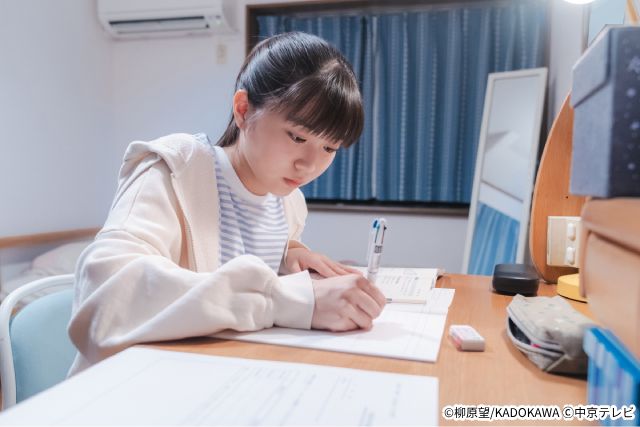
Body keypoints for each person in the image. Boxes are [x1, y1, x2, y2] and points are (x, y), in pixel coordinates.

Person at [67, 32, 386, 375]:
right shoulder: (174, 168)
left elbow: (241, 278)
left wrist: (289, 256)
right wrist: (288, 300)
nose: (310, 165)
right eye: (297, 137)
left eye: (329, 148)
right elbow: (103, 296)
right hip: (134, 386)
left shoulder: (289, 202)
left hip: (223, 379)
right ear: (243, 110)